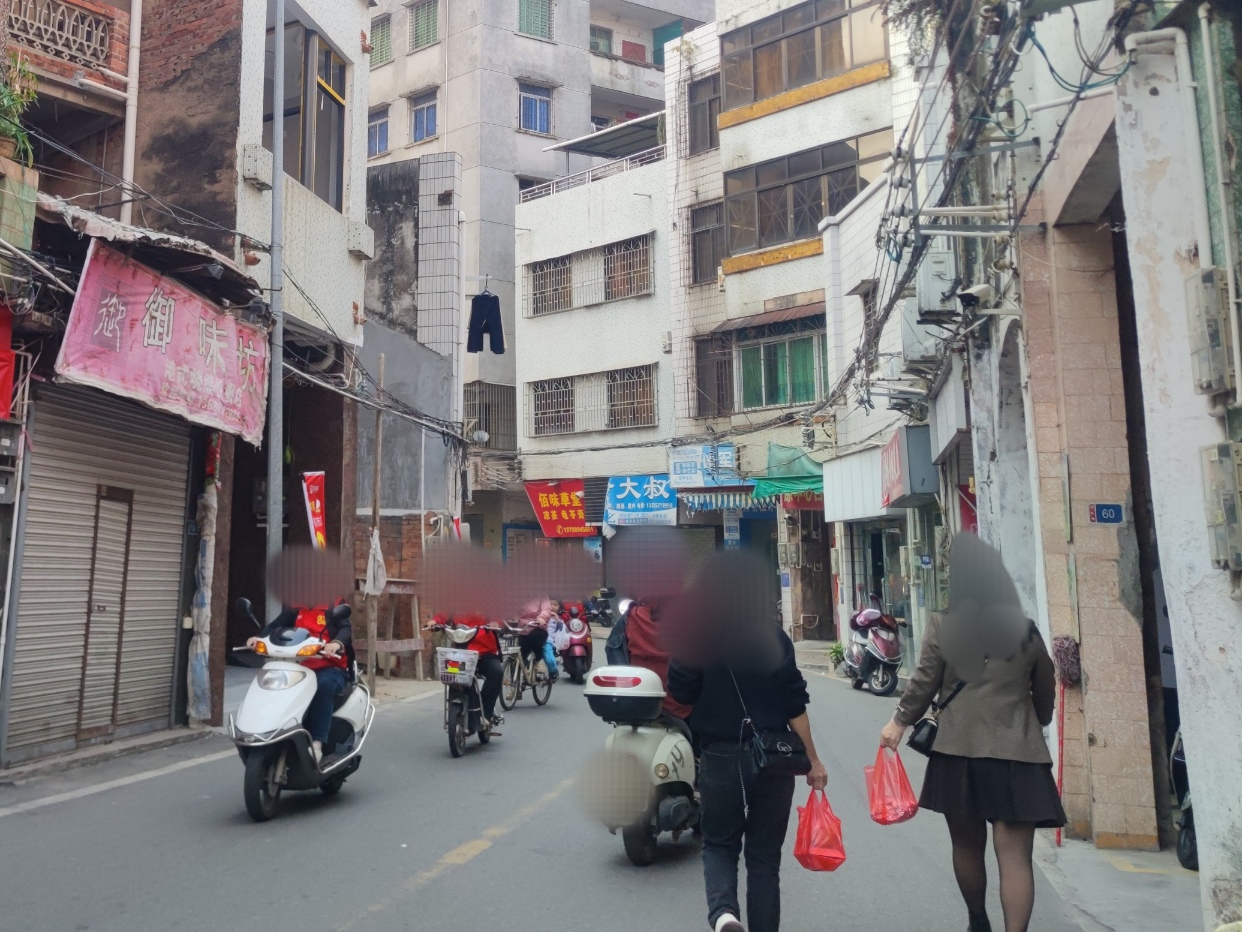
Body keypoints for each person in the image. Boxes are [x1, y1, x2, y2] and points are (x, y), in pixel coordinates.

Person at [880, 534, 1064, 932]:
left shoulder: (944, 624)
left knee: (966, 845)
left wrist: (899, 722)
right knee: (1015, 857)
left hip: (958, 751)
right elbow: (1045, 691)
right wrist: (1034, 721)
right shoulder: (1027, 632)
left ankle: (978, 923)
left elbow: (925, 681)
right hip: (1019, 756)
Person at [669, 623, 828, 932]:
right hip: (775, 758)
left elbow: (681, 691)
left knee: (719, 844)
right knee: (765, 858)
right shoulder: (772, 635)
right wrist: (813, 761)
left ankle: (724, 915)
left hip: (721, 755)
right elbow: (794, 704)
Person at [247, 602, 352, 764]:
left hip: (330, 667)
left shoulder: (333, 605)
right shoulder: (296, 606)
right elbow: (276, 625)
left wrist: (336, 643)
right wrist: (259, 638)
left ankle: (317, 742)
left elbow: (345, 629)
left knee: (323, 686)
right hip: (299, 667)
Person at [426, 613, 504, 727]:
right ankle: (472, 708)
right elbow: (444, 613)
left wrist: (495, 622)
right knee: (456, 677)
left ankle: (486, 713)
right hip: (461, 653)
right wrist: (435, 622)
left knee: (496, 672)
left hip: (485, 653)